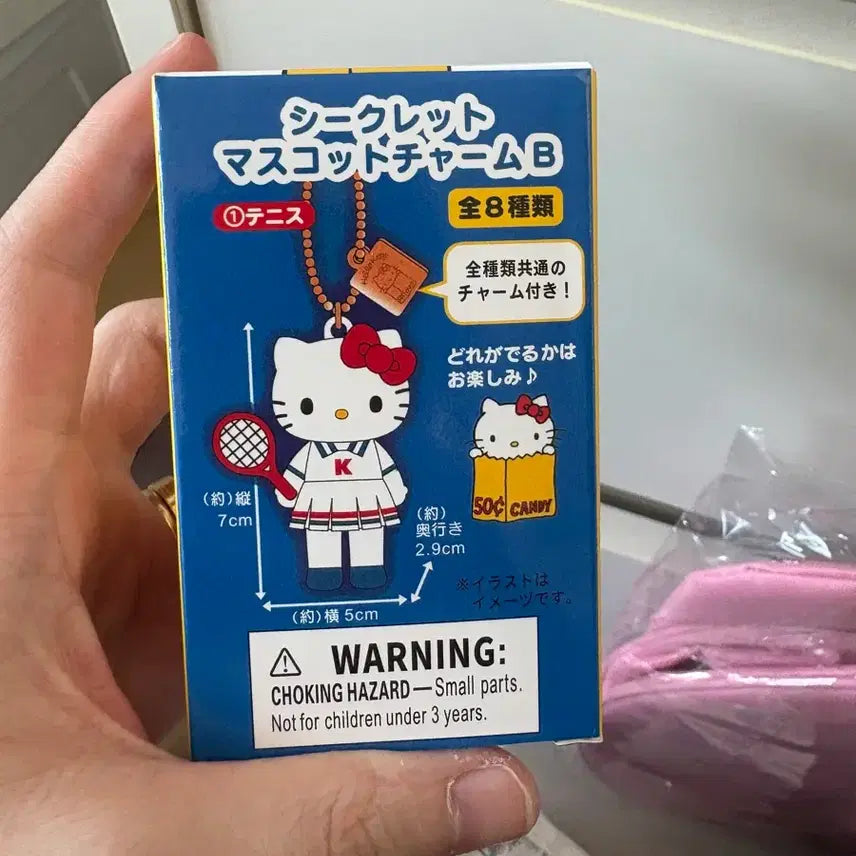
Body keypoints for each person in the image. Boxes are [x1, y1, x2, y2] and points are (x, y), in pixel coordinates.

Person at [0, 34, 538, 854]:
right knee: (322, 548)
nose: (345, 416)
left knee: (366, 541)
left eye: (368, 402)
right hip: (315, 523)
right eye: (316, 404)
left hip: (370, 512)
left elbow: (370, 476)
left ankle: (361, 580)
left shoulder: (369, 421)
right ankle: (330, 584)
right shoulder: (307, 409)